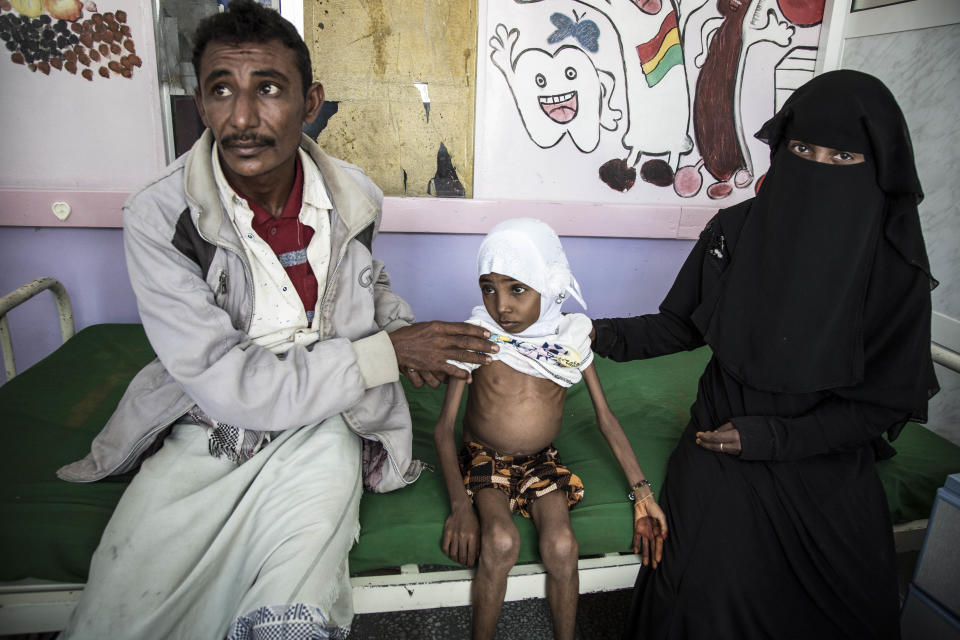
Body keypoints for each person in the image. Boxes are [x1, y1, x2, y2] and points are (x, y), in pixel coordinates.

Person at [55, 2, 497, 638]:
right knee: (130, 597)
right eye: (221, 91)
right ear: (201, 104)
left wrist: (408, 332)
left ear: (309, 100)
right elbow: (223, 380)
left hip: (329, 415)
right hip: (207, 421)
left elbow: (364, 281)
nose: (241, 118)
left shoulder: (353, 196)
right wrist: (391, 354)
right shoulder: (159, 217)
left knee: (297, 583)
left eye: (267, 89)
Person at [591, 70, 939, 639]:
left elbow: (880, 405)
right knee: (707, 593)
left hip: (822, 454)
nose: (818, 167)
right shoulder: (734, 232)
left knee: (856, 605)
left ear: (877, 165)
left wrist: (772, 438)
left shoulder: (893, 270)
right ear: (782, 151)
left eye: (843, 156)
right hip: (718, 442)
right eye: (803, 149)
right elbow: (679, 325)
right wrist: (592, 333)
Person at [434, 218, 668, 640]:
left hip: (542, 460)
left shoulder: (570, 339)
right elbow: (443, 428)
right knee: (501, 541)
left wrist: (642, 493)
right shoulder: (477, 336)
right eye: (488, 287)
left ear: (550, 283)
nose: (501, 305)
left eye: (517, 288)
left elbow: (606, 418)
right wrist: (459, 507)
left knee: (563, 546)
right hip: (485, 455)